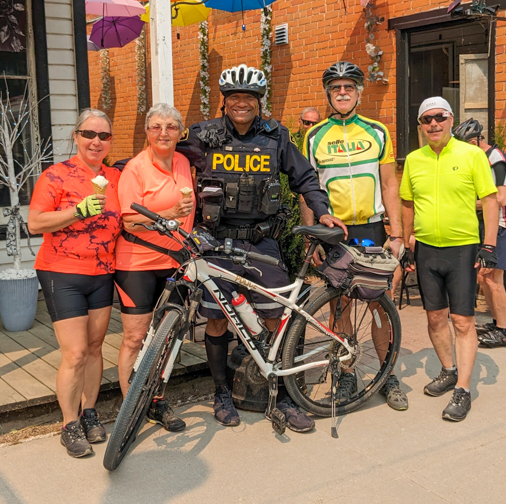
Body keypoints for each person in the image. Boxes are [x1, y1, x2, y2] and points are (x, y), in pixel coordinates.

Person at [177, 64, 346, 432]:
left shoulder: (277, 136)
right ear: (225, 102)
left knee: (276, 318)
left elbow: (304, 177)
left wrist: (323, 211)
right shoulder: (201, 136)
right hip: (216, 241)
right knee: (217, 320)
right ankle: (221, 393)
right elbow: (163, 156)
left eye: (249, 98)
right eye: (234, 97)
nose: (241, 103)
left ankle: (285, 396)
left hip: (262, 241)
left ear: (258, 102)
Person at [302, 61, 408, 411]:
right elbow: (308, 189)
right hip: (334, 232)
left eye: (349, 87)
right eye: (336, 88)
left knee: (379, 303)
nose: (342, 93)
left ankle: (386, 373)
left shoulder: (377, 131)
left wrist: (397, 233)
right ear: (328, 95)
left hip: (373, 227)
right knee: (340, 305)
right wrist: (310, 238)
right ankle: (345, 374)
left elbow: (390, 183)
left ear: (360, 92)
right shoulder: (315, 135)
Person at [28, 109, 122, 459]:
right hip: (61, 272)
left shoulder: (114, 176)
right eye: (89, 134)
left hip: (102, 272)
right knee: (76, 352)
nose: (96, 141)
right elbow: (35, 223)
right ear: (76, 136)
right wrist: (76, 212)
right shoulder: (57, 175)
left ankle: (89, 411)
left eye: (104, 136)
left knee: (96, 349)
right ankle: (69, 423)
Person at [400, 97, 499, 422]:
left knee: (463, 321)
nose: (433, 124)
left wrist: (489, 245)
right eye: (426, 119)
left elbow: (490, 199)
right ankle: (447, 369)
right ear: (421, 125)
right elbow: (407, 204)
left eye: (440, 117)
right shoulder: (414, 160)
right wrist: (406, 244)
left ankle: (464, 389)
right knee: (434, 318)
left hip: (463, 250)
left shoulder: (471, 155)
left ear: (450, 119)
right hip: (427, 249)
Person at [115, 103, 195, 433]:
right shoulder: (135, 169)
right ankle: (130, 408)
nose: (163, 133)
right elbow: (130, 222)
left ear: (180, 132)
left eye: (171, 127)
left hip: (175, 261)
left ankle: (157, 400)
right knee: (135, 337)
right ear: (147, 132)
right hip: (138, 263)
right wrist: (172, 214)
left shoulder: (183, 161)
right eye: (156, 126)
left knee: (165, 336)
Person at [453, 118, 506, 347]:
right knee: (484, 276)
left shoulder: (496, 160)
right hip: (488, 224)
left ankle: (503, 331)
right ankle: (496, 322)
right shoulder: (480, 158)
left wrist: (467, 202)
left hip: (501, 224)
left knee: (493, 278)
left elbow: (499, 198)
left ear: (474, 141)